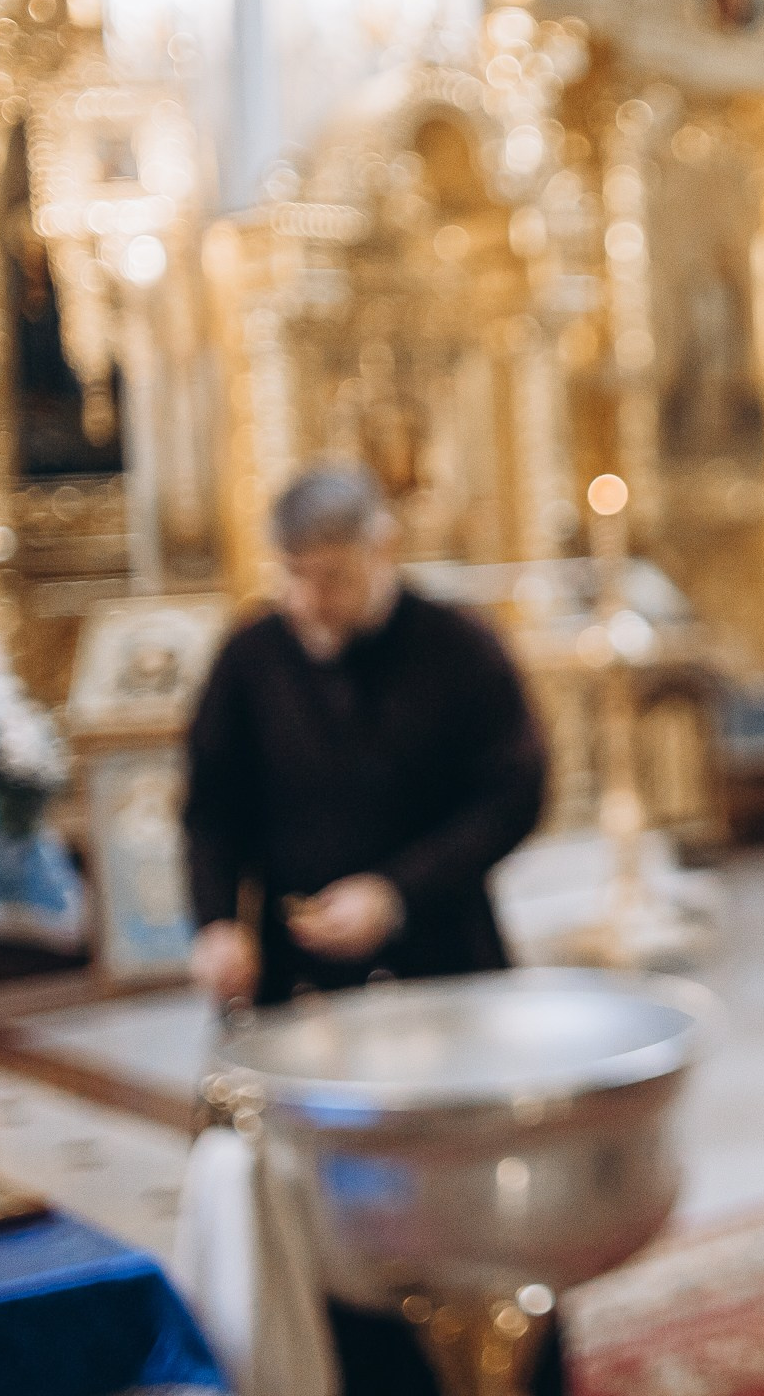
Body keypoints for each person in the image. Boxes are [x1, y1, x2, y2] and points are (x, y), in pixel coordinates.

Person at [183, 463, 550, 1395]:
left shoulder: (458, 646)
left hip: (447, 967)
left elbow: (516, 792)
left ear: (383, 548)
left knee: (464, 1217)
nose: (313, 599)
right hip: (303, 988)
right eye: (296, 576)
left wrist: (396, 893)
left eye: (334, 577)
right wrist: (218, 921)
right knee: (330, 1227)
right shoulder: (252, 658)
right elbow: (211, 807)